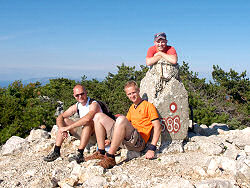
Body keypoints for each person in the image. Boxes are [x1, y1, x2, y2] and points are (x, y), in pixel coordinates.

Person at [85, 81, 161, 169]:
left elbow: (157, 126)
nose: (132, 96)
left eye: (134, 92)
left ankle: (110, 156)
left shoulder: (148, 106)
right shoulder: (132, 108)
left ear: (138, 91)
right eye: (129, 94)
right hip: (127, 140)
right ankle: (101, 152)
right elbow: (123, 126)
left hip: (139, 142)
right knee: (98, 116)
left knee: (121, 119)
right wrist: (110, 140)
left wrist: (152, 148)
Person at [44, 84, 102, 163]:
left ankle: (80, 153)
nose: (80, 97)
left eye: (82, 94)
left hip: (96, 136)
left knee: (88, 122)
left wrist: (67, 128)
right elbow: (60, 117)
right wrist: (62, 128)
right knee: (64, 121)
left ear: (86, 92)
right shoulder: (77, 105)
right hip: (85, 133)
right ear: (74, 96)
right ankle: (56, 151)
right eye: (77, 95)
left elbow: (87, 119)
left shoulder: (93, 104)